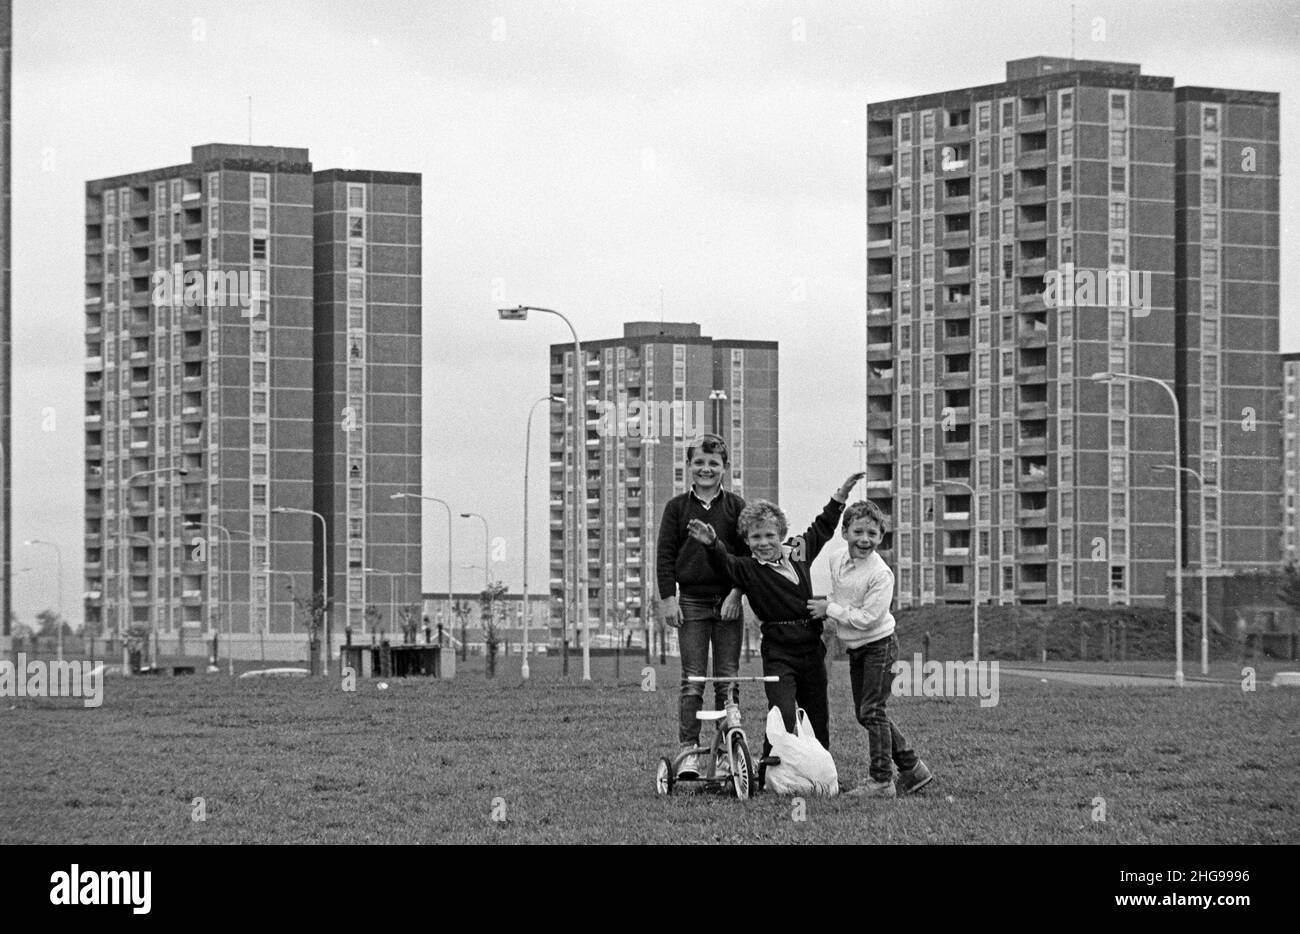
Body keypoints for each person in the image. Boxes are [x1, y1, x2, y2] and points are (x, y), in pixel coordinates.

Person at [688, 472, 864, 759]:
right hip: (778, 650)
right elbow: (724, 563)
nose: (764, 542)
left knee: (816, 714)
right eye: (755, 537)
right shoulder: (747, 568)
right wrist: (712, 544)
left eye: (769, 535)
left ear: (781, 534)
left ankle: (821, 770)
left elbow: (822, 527)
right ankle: (769, 768)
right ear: (746, 539)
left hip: (810, 645)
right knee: (782, 713)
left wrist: (840, 497)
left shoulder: (799, 551)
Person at [807, 499, 933, 798]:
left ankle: (881, 780)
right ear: (845, 532)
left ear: (881, 537)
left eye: (873, 534)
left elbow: (867, 619)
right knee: (865, 713)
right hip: (857, 648)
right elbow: (843, 597)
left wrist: (831, 609)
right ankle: (913, 767)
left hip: (880, 645)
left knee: (872, 711)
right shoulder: (835, 559)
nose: (865, 539)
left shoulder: (881, 574)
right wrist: (828, 607)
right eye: (858, 531)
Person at [656, 433, 748, 779]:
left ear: (724, 467)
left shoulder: (736, 507)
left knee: (727, 679)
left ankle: (726, 750)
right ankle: (689, 751)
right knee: (693, 680)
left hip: (727, 602)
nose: (706, 469)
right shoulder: (676, 508)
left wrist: (737, 594)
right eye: (699, 462)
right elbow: (664, 556)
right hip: (691, 601)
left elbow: (746, 555)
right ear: (689, 466)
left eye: (713, 463)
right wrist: (669, 599)